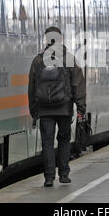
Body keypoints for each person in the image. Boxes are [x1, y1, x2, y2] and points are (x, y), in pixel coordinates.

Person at [28, 26, 86, 187]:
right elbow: (78, 85)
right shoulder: (69, 59)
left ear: (46, 40)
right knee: (64, 139)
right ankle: (64, 173)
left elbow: (32, 88)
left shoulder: (38, 61)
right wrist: (81, 108)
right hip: (64, 107)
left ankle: (49, 177)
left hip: (45, 109)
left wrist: (34, 111)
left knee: (47, 142)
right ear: (60, 39)